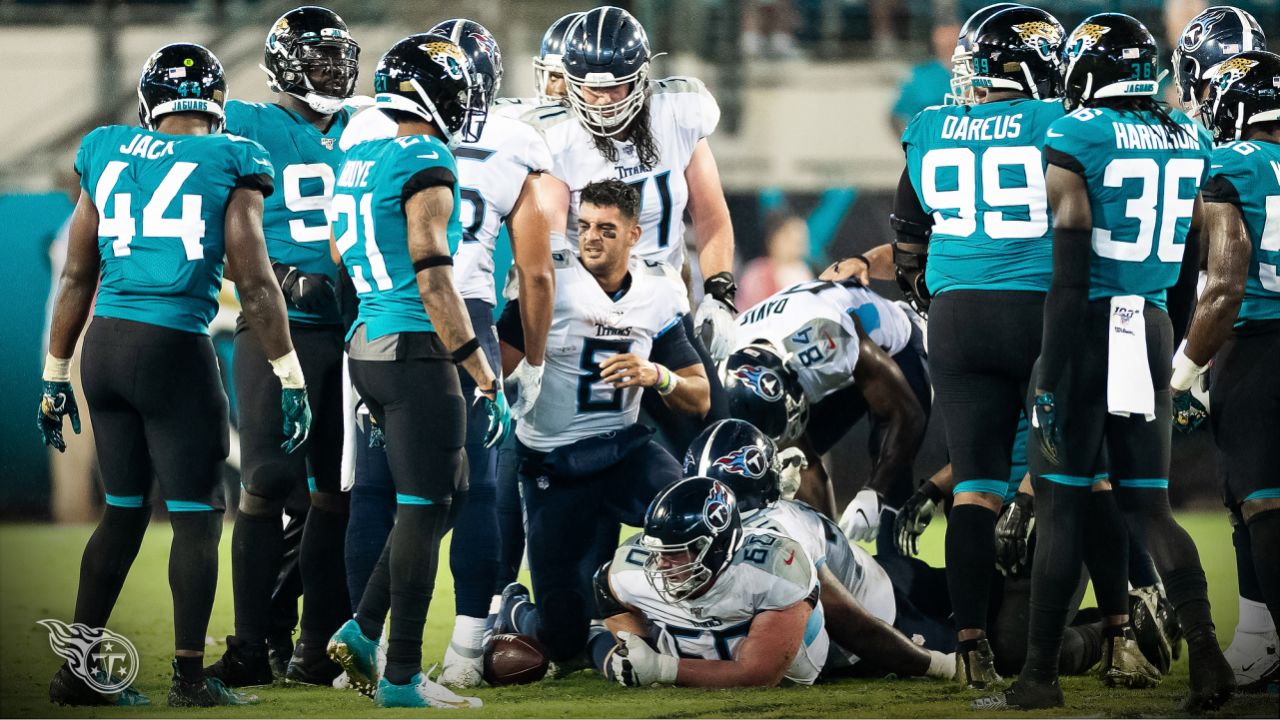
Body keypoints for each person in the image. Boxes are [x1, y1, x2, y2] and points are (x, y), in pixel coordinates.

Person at [38, 42, 308, 707]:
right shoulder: (230, 156)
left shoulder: (104, 149)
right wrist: (290, 372)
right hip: (173, 349)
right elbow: (257, 282)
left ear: (147, 102)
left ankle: (77, 670)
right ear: (216, 105)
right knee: (195, 517)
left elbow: (77, 273)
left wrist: (53, 373)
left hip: (102, 347)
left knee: (122, 512)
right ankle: (190, 679)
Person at [976, 14, 1231, 712]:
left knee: (1059, 508)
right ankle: (1208, 659)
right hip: (1147, 324)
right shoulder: (1189, 135)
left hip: (1088, 328)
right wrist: (1175, 347)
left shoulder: (1077, 132)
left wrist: (1049, 377)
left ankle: (1037, 681)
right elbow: (1188, 264)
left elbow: (1068, 273)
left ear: (1089, 69)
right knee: (1151, 506)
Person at [333, 18, 556, 689]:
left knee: (439, 493)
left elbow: (344, 251)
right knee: (436, 498)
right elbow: (438, 277)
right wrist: (483, 370)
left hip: (367, 337)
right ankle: (402, 673)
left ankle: (360, 629)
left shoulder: (360, 150)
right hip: (427, 341)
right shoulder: (426, 156)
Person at [893, 4, 1075, 688]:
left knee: (973, 485)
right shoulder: (1055, 119)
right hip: (1038, 307)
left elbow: (908, 235)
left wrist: (933, 291)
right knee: (1062, 479)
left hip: (956, 315)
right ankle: (1105, 632)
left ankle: (970, 648)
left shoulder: (929, 127)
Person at [491, 179, 710, 669]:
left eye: (606, 229)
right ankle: (515, 608)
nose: (591, 237)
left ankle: (695, 627)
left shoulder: (656, 292)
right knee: (563, 642)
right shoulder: (550, 278)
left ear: (634, 235)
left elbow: (699, 397)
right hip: (554, 461)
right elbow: (495, 367)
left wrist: (657, 375)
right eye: (584, 226)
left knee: (691, 516)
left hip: (623, 449)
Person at [204, 5, 361, 688]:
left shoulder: (371, 124)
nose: (330, 69)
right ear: (281, 65)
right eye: (315, 58)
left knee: (337, 490)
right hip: (278, 322)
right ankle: (252, 641)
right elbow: (202, 204)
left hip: (357, 327)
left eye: (337, 56)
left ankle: (316, 643)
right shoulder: (246, 122)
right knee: (267, 480)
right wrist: (269, 274)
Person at [526, 5, 734, 452]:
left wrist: (719, 291)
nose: (600, 101)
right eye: (587, 89)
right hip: (587, 318)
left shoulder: (677, 112)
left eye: (612, 88)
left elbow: (711, 213)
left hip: (663, 314)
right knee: (571, 454)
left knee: (716, 442)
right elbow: (547, 248)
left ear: (641, 78)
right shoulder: (556, 136)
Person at [1171, 6, 1276, 691]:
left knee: (1260, 499)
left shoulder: (1223, 157)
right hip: (1237, 333)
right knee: (1246, 500)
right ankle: (1261, 635)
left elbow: (1214, 277)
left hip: (1248, 339)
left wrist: (1183, 366)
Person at [683, 419, 956, 679]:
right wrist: (939, 665)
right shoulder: (779, 543)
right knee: (983, 638)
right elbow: (855, 628)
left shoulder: (709, 525)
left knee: (970, 582)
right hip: (875, 626)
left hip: (871, 573)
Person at [719, 278, 928, 539]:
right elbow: (803, 459)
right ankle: (831, 549)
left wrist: (873, 492)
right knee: (780, 461)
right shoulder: (726, 358)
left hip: (896, 347)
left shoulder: (824, 338)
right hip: (817, 363)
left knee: (889, 483)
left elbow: (908, 414)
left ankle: (898, 561)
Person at [595, 477, 828, 687]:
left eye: (675, 552)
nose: (660, 564)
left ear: (717, 547)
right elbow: (607, 589)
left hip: (796, 675)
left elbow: (759, 675)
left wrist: (661, 668)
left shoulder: (772, 568)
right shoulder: (632, 570)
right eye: (657, 551)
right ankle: (592, 640)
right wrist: (642, 650)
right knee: (625, 668)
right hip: (691, 659)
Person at [890, 21, 961, 137]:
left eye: (952, 43)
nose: (949, 44)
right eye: (946, 43)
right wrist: (908, 147)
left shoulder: (978, 73)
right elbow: (897, 115)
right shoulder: (921, 75)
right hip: (930, 143)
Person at [736, 212, 814, 309]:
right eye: (789, 238)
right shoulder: (757, 272)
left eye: (801, 240)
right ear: (773, 239)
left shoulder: (803, 271)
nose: (796, 244)